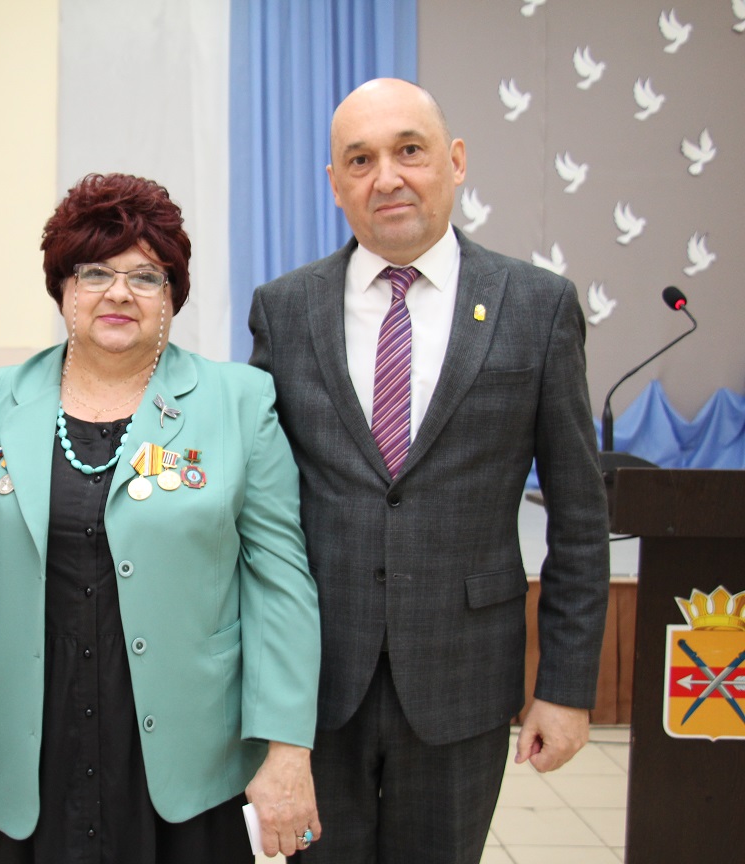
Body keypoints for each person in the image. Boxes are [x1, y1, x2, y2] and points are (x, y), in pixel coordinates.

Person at [0, 172, 322, 862]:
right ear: (63, 287)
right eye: (94, 273)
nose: (119, 293)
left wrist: (287, 748)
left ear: (172, 295)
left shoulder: (239, 402)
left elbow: (281, 585)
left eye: (146, 277)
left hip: (188, 759)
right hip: (25, 756)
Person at [249, 79, 611, 864]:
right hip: (315, 685)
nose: (387, 177)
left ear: (455, 161)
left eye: (409, 151)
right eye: (360, 160)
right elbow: (258, 504)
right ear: (336, 183)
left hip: (463, 679)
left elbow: (581, 517)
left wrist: (566, 686)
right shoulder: (285, 309)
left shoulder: (537, 306)